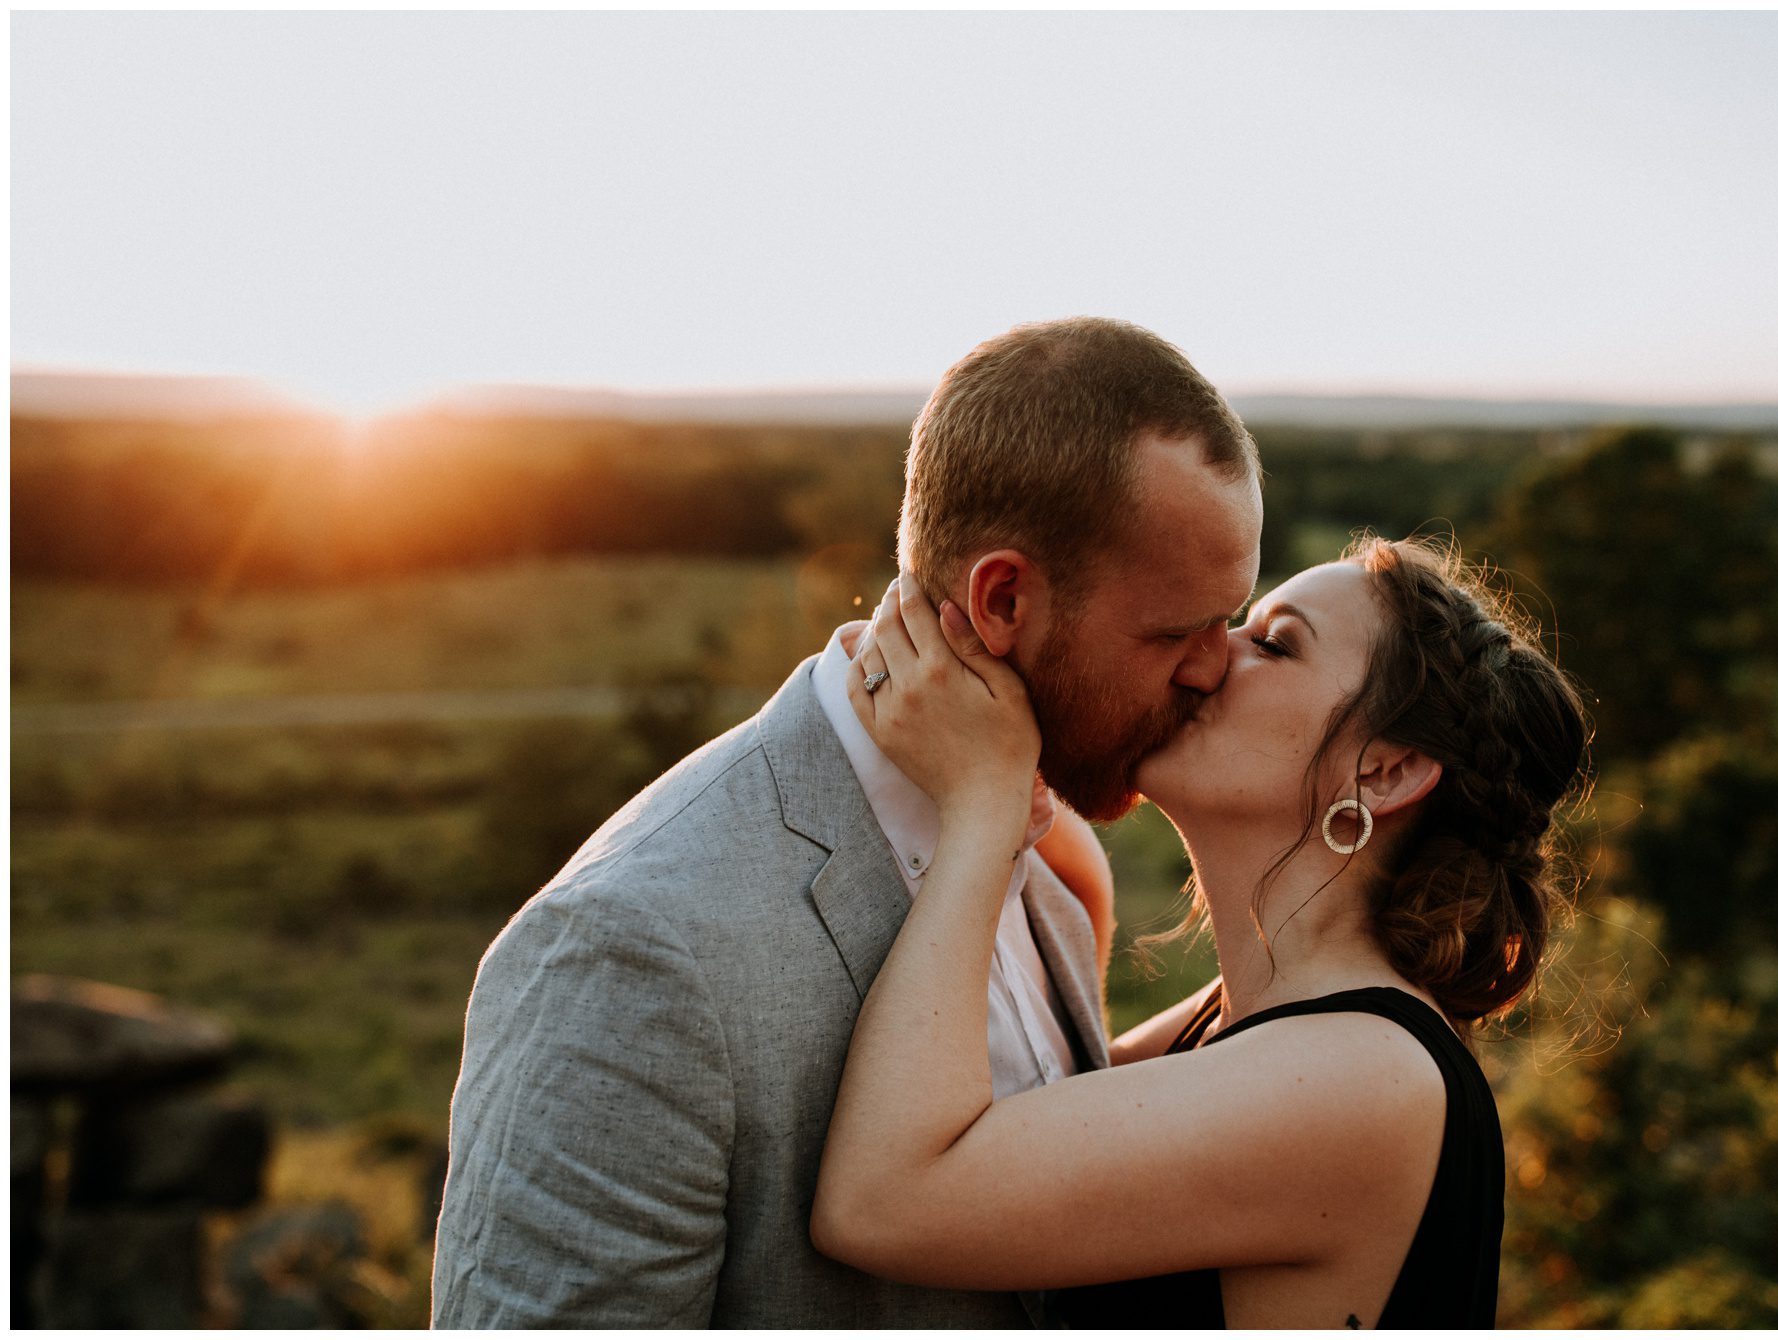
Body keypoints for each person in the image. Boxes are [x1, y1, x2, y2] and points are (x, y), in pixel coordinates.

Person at [430, 316, 1264, 1326]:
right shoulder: (628, 947)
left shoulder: (1042, 853)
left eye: (1231, 618)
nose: (1216, 666)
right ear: (1002, 599)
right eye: (1174, 630)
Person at [811, 533, 1590, 1328]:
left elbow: (881, 1198)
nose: (1211, 657)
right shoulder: (1240, 1019)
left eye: (1275, 645)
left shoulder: (1362, 1081)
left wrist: (979, 807)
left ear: (1384, 772)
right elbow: (1045, 1098)